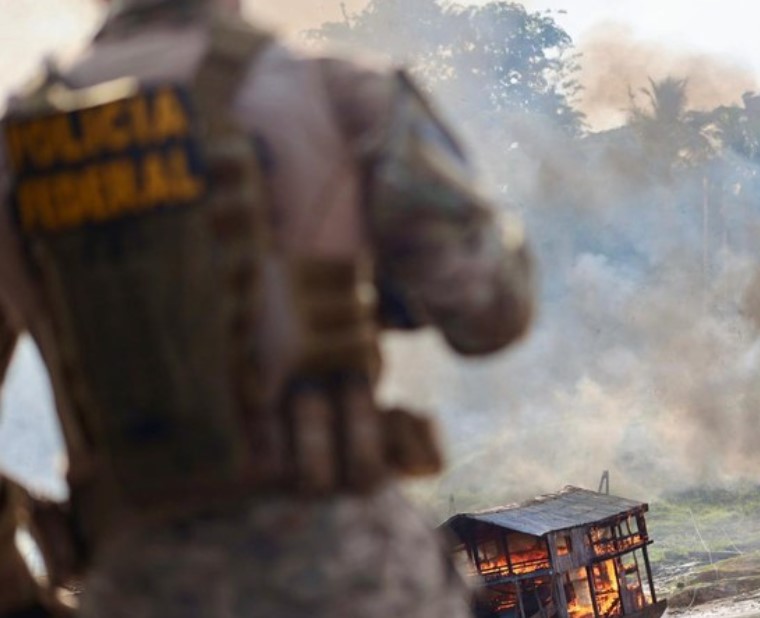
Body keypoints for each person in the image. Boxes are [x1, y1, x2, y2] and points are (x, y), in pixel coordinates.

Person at [0, 0, 534, 615]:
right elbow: (491, 312)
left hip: (135, 588)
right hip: (360, 582)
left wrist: (21, 599)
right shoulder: (337, 91)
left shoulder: (17, 152)